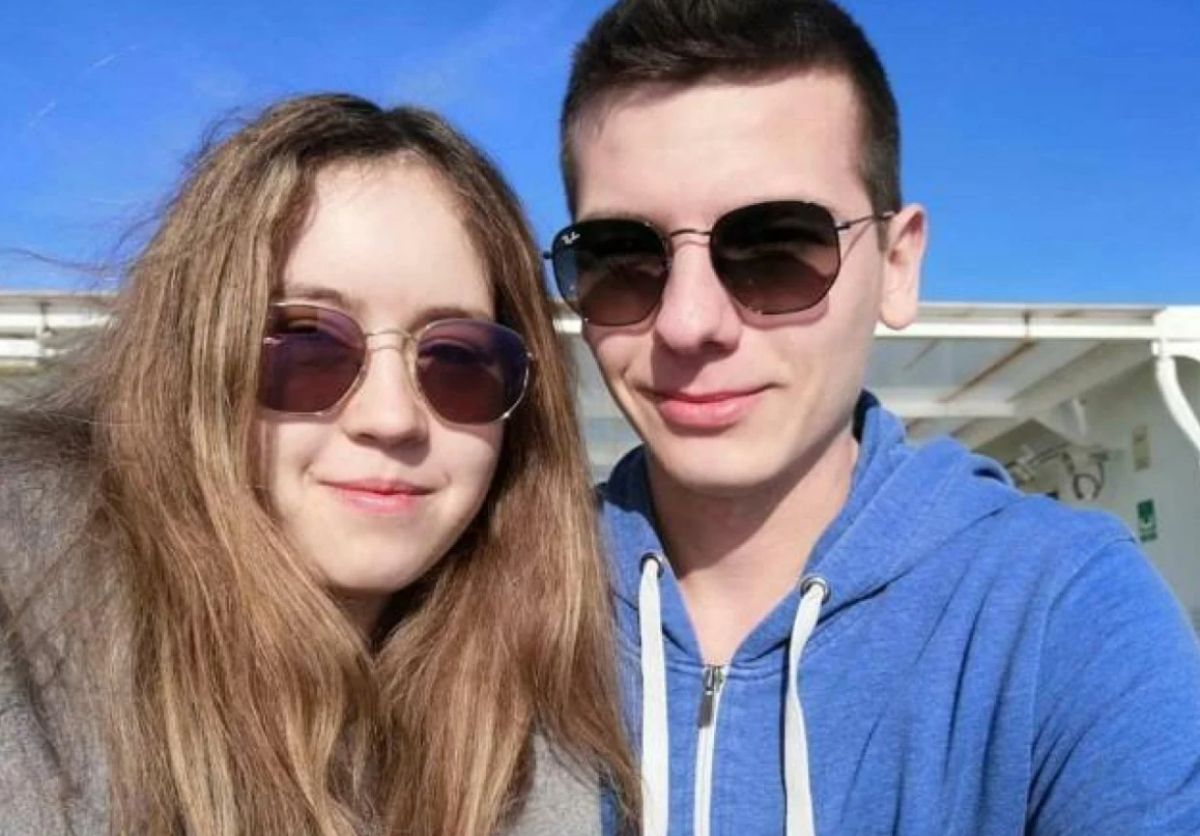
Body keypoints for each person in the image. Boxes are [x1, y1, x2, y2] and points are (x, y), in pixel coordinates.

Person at [546, 1, 1200, 834]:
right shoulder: (499, 598)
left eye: (774, 249)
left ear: (897, 264)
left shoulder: (1060, 617)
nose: (688, 322)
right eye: (622, 258)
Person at [0, 93, 637, 836]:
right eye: (307, 346)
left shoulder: (566, 688)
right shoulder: (30, 658)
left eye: (459, 359)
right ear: (193, 364)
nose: (392, 417)